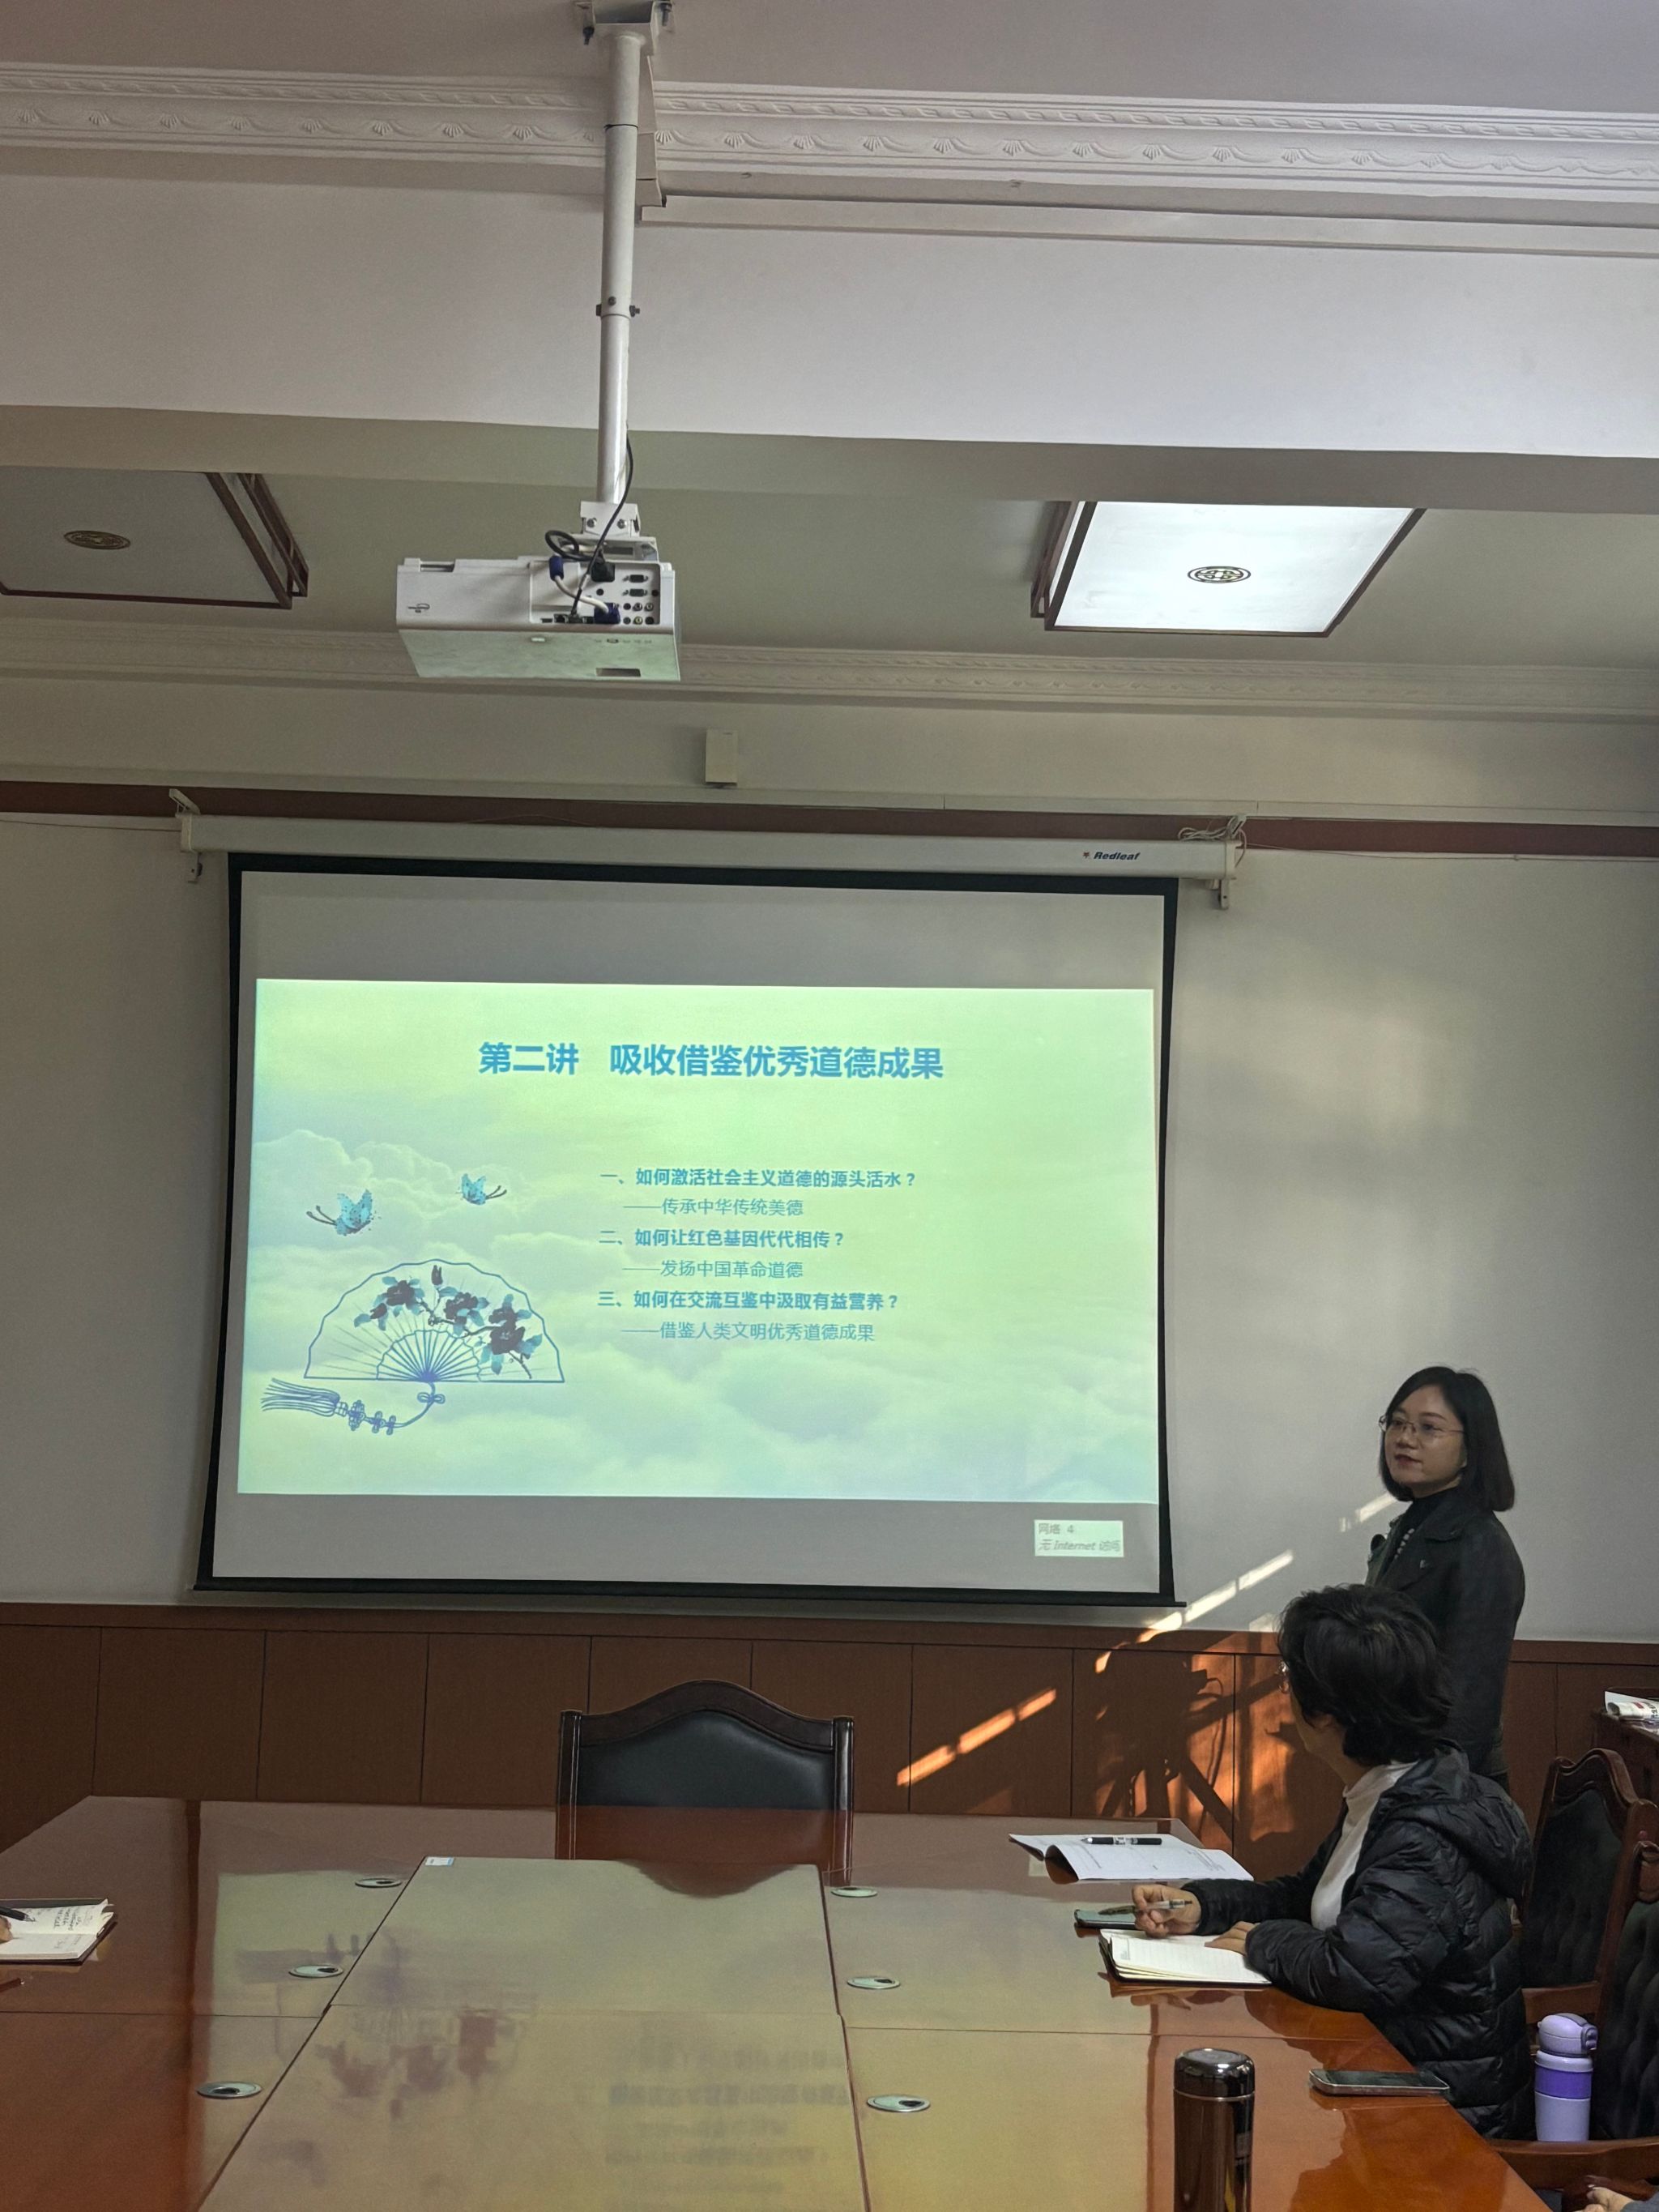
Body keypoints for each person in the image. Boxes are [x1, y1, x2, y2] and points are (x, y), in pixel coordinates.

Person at [1132, 1583, 1531, 2137]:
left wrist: (1263, 1941)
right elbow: (1308, 1898)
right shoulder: (1396, 1789)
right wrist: (1202, 1905)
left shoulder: (1423, 1834)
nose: (1285, 1694)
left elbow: (1357, 1972)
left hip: (1438, 2118)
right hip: (1377, 2078)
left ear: (1325, 1716)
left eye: (1288, 1680)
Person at [1364, 1364, 1525, 1789]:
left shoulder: (1480, 1543)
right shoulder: (1411, 1525)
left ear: (1471, 1449)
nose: (1405, 1438)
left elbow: (1468, 1710)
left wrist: (1419, 1798)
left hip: (1445, 1789)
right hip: (1392, 1767)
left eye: (1428, 1428)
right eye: (1397, 1423)